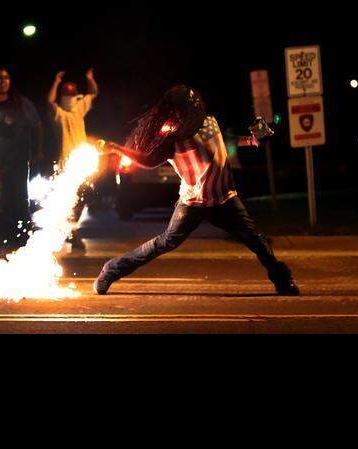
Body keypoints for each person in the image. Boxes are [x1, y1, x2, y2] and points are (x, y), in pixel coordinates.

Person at [96, 85, 299, 296]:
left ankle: (283, 281)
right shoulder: (170, 137)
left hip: (224, 199)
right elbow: (148, 161)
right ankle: (112, 269)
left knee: (256, 240)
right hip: (193, 202)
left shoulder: (209, 120)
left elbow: (223, 139)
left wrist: (251, 140)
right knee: (164, 243)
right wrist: (116, 148)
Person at [0, 67, 43, 255]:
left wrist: (37, 151)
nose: (3, 81)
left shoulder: (21, 104)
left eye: (6, 78)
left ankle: (20, 241)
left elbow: (37, 125)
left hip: (18, 160)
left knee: (18, 199)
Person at [47, 69, 99, 254]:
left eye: (72, 95)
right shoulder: (60, 114)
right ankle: (69, 231)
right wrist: (56, 82)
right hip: (66, 164)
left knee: (83, 197)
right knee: (69, 198)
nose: (70, 98)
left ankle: (71, 228)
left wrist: (90, 79)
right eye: (66, 95)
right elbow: (49, 101)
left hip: (82, 162)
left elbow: (93, 93)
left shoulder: (79, 109)